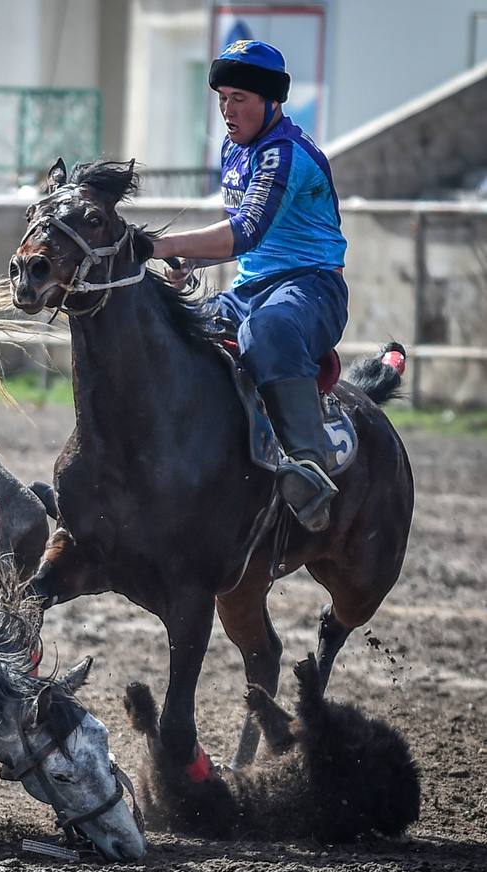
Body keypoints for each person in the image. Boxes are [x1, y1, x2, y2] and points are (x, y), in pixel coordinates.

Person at [150, 40, 347, 532]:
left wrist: (152, 244)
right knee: (174, 332)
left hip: (312, 287)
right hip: (250, 287)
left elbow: (248, 230)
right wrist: (188, 258)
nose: (227, 110)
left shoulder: (287, 153)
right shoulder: (234, 148)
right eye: (222, 98)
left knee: (266, 331)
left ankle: (310, 467)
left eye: (239, 98)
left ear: (271, 101)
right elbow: (235, 233)